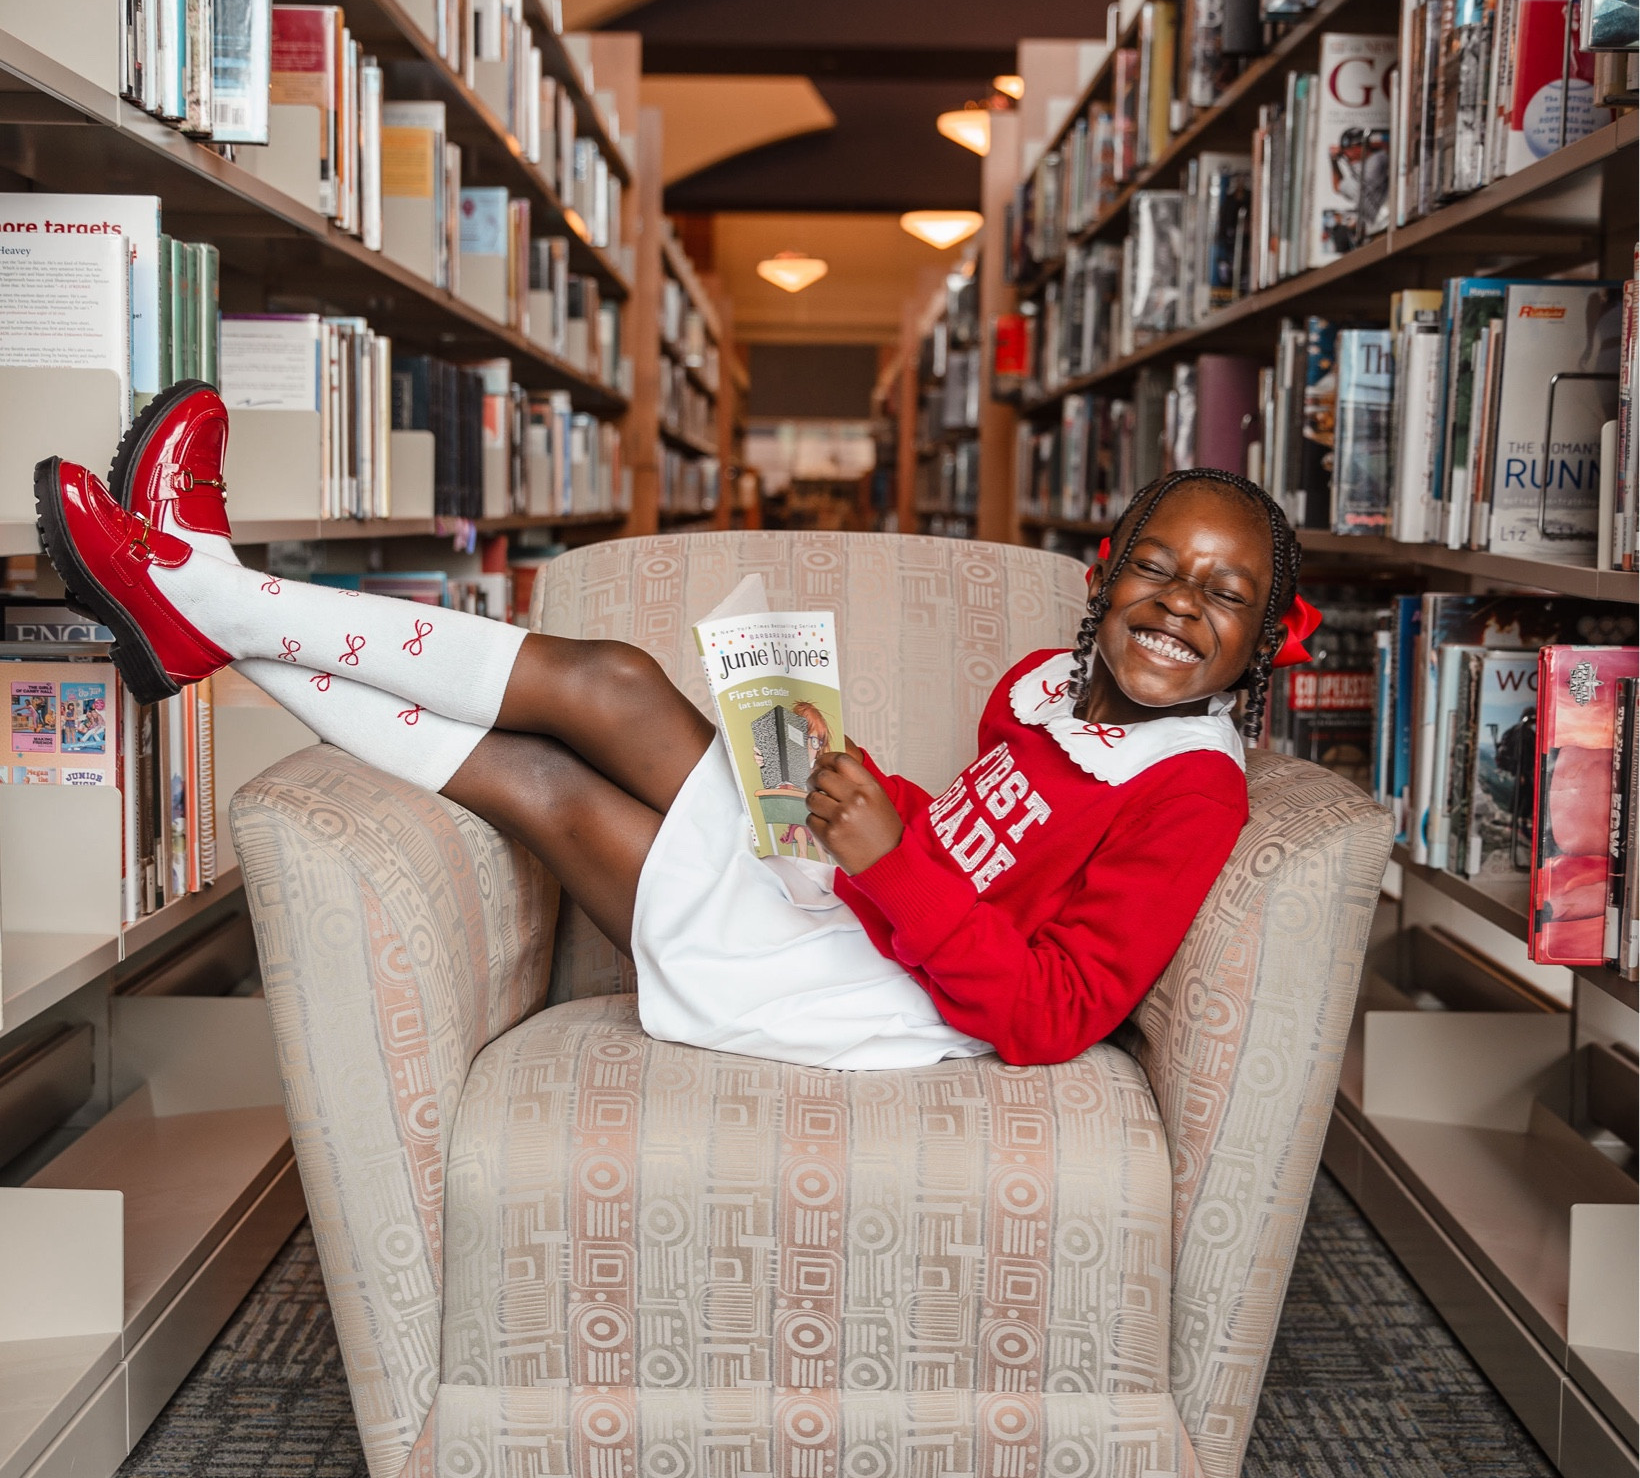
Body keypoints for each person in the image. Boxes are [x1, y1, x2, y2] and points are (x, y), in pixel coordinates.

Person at [33, 384, 1315, 1072]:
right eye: (1156, 567)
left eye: (1222, 596)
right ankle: (207, 606)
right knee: (615, 682)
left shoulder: (1191, 792)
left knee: (551, 784)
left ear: (1257, 642)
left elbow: (1051, 1009)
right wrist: (869, 799)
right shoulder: (1041, 681)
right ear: (1103, 577)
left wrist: (886, 855)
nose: (1175, 607)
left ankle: (207, 597)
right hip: (859, 906)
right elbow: (984, 843)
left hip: (860, 989)